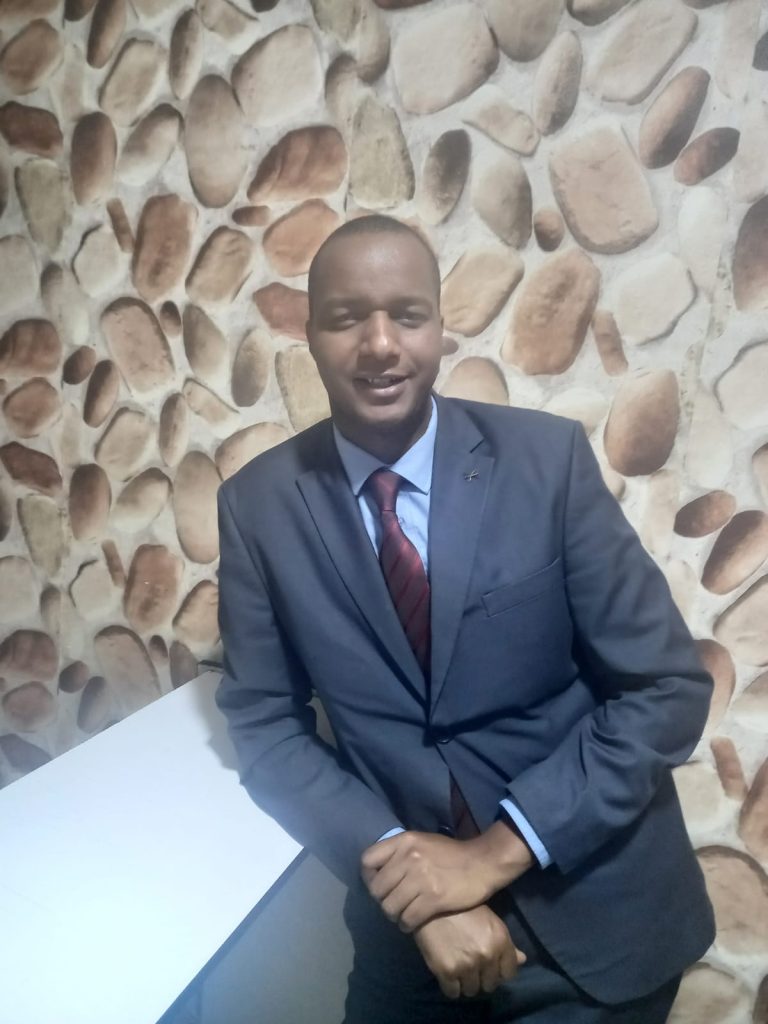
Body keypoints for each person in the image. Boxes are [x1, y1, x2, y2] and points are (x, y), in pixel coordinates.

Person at [215, 215, 715, 1023]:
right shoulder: (257, 507)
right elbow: (266, 726)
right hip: (411, 944)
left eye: (407, 315)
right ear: (309, 335)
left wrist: (491, 855)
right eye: (347, 317)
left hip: (596, 919)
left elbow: (666, 690)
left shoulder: (548, 462)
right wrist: (413, 885)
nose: (381, 344)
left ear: (441, 328)